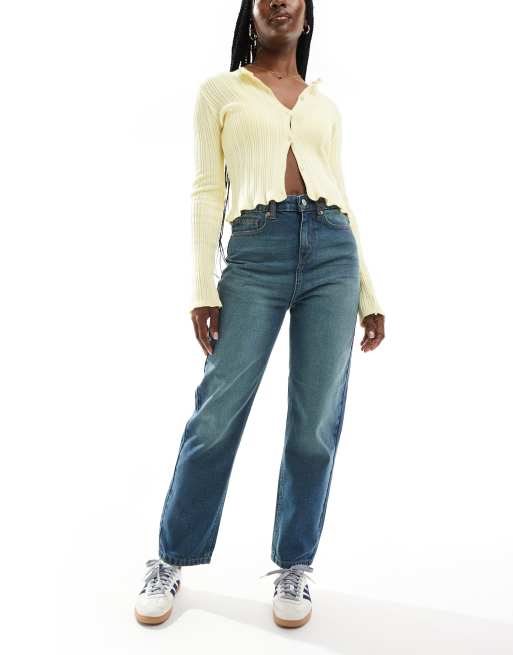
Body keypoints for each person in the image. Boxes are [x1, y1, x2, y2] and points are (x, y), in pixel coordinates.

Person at [134, 0, 385, 629]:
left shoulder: (324, 104)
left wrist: (368, 291)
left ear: (306, 16)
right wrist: (202, 285)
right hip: (254, 252)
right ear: (250, 13)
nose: (280, 1)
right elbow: (207, 188)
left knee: (315, 422)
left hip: (333, 254)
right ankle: (171, 556)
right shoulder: (221, 92)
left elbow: (343, 193)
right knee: (217, 413)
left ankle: (295, 565)